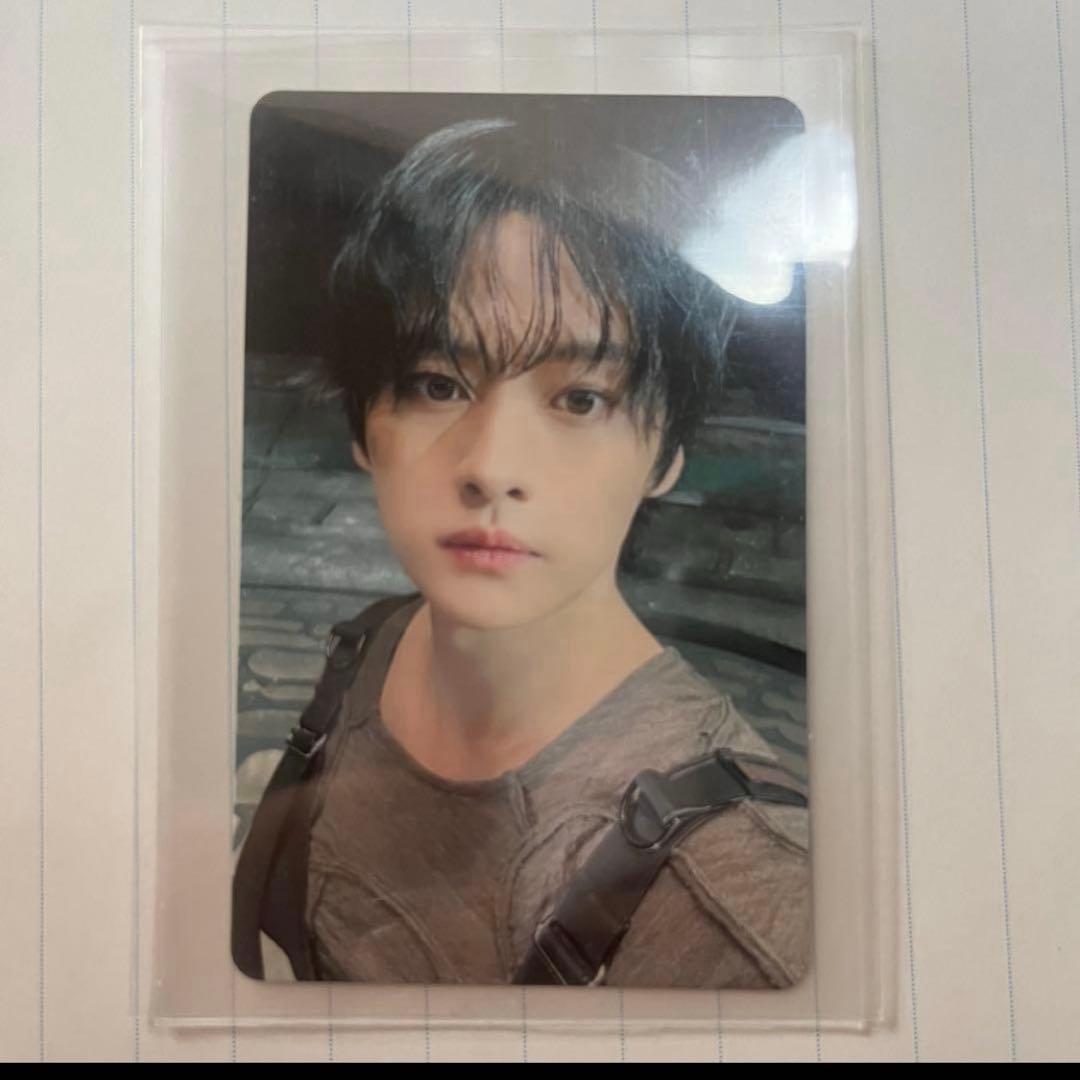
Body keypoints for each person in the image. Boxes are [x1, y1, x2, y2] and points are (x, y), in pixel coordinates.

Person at [233, 114, 810, 989]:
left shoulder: (735, 913)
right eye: (437, 384)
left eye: (580, 399)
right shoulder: (380, 640)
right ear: (362, 426)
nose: (492, 467)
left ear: (666, 455)